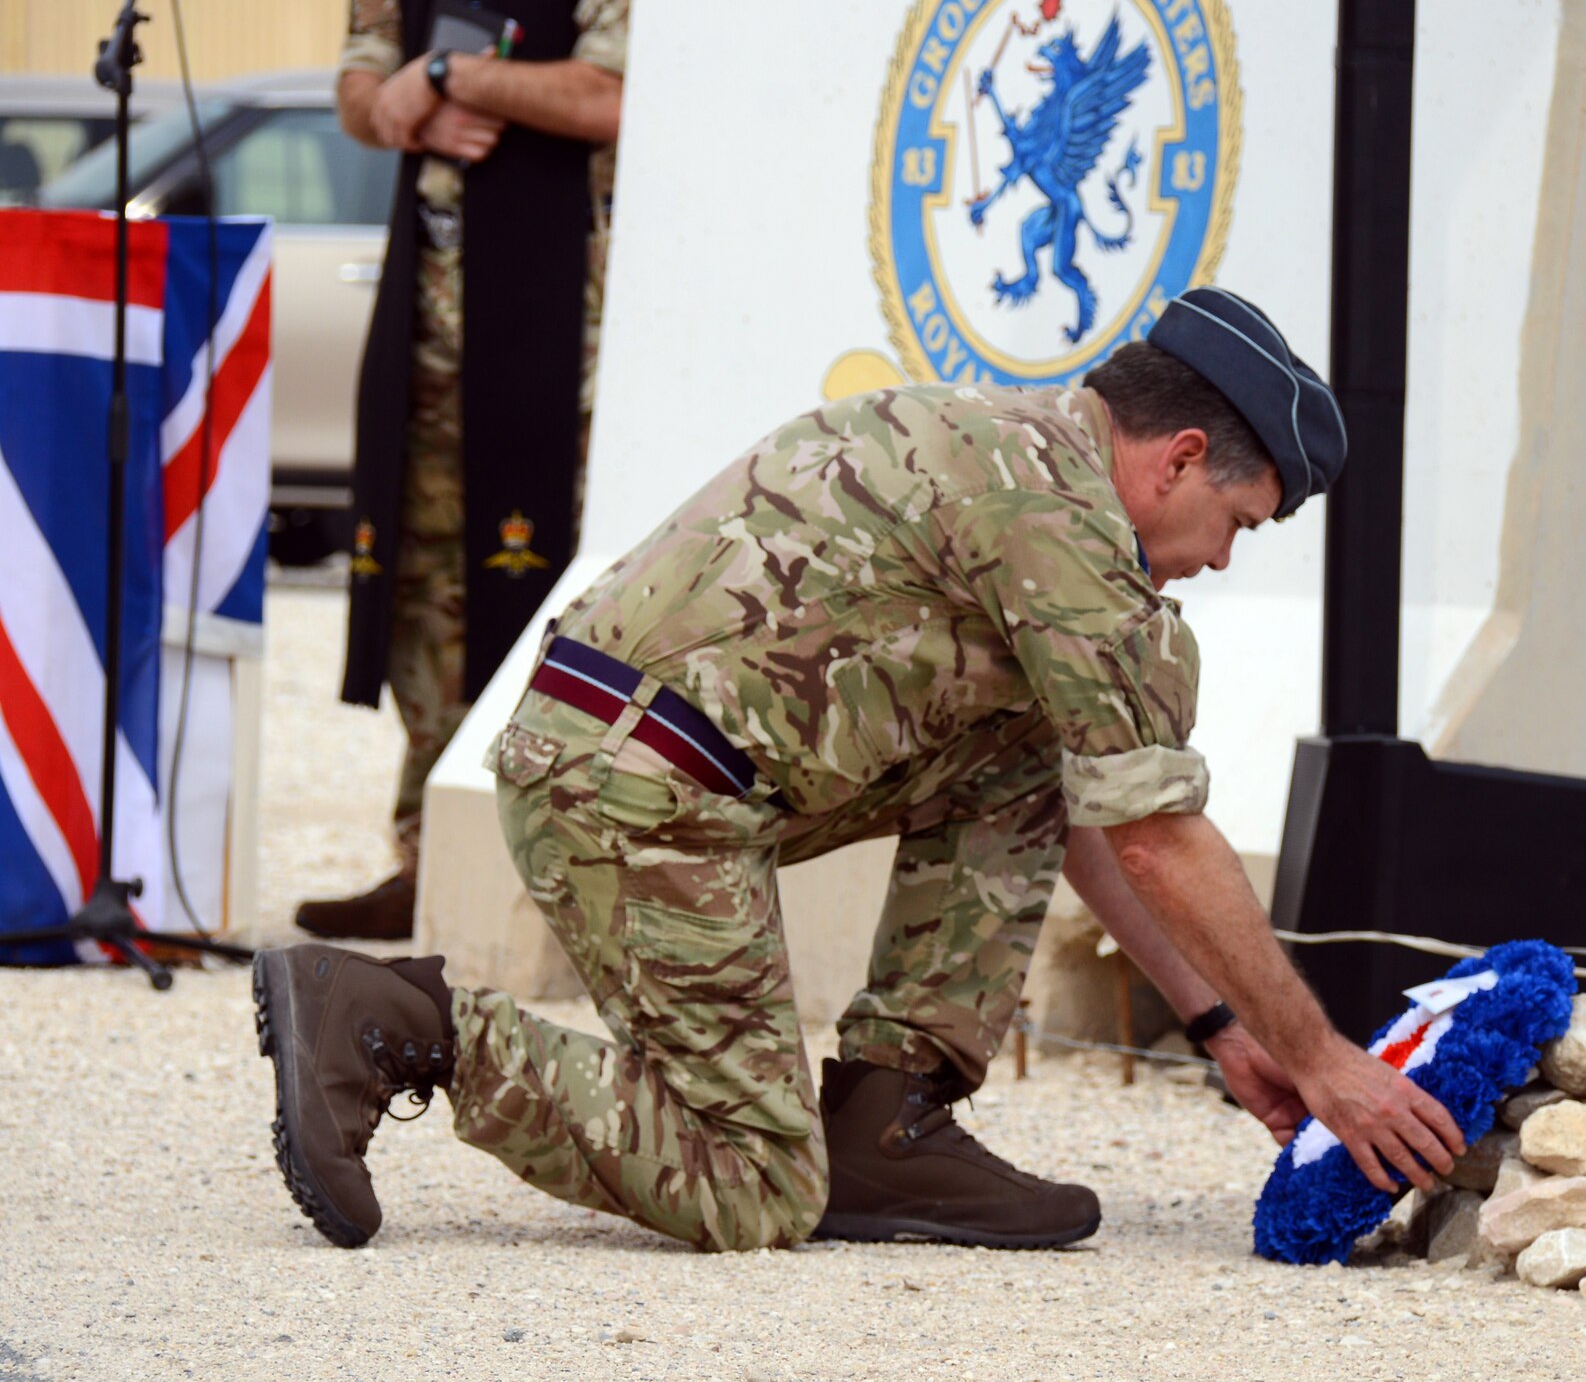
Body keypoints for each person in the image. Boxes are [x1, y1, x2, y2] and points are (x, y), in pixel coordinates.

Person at [252, 288, 1465, 1252]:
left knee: (1027, 751)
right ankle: (403, 1024)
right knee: (753, 1185)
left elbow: (1088, 816)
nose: (1216, 561)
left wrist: (1213, 1021)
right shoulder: (1065, 526)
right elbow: (1157, 831)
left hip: (630, 760)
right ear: (1178, 457)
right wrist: (1320, 1060)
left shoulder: (1014, 452)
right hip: (638, 796)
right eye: (1237, 524)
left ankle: (889, 1120)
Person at [294, 0, 630, 940]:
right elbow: (359, 88)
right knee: (415, 598)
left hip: (557, 340)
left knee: (545, 602)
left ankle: (539, 861)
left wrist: (446, 79)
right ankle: (427, 853)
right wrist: (405, 108)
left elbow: (606, 95)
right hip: (426, 338)